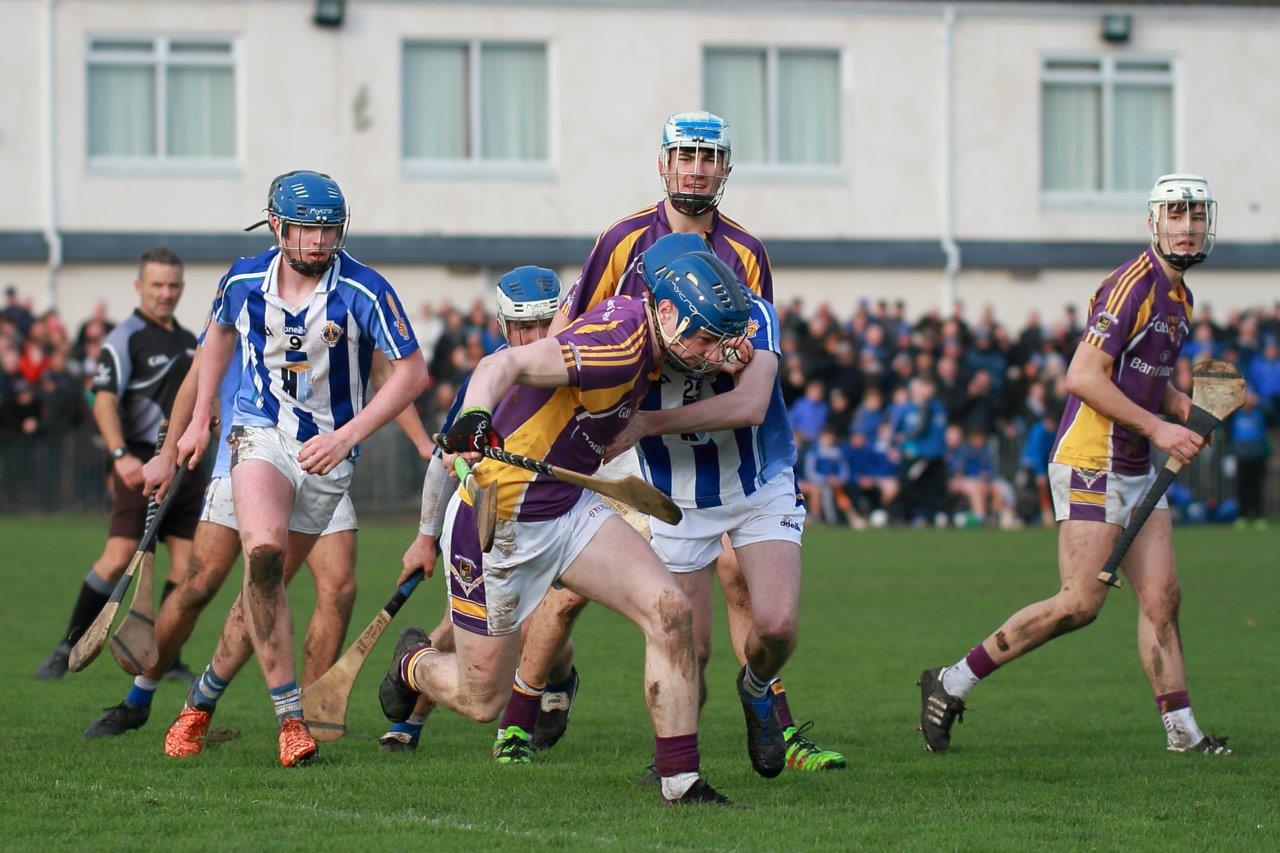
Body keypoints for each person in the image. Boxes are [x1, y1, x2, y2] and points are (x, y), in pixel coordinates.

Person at [505, 114, 837, 770]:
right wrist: (554, 424)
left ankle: (766, 706)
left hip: (731, 457)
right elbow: (570, 339)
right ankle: (552, 723)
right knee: (673, 632)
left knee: (756, 600)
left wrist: (720, 361)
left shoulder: (747, 254)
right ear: (663, 163)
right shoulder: (622, 242)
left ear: (725, 168)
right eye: (684, 154)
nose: (695, 167)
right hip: (656, 463)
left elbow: (750, 377)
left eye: (708, 156)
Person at [384, 251, 750, 805]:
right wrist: (476, 418)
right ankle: (413, 663)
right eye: (704, 341)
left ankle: (680, 779)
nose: (707, 355)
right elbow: (497, 367)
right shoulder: (617, 346)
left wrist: (727, 355)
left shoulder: (658, 334)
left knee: (670, 611)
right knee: (482, 700)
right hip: (498, 524)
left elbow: (696, 357)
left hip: (569, 511)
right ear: (668, 313)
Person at [918, 173, 1231, 755]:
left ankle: (1184, 735)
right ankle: (950, 680)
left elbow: (1146, 380)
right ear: (1153, 223)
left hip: (1137, 462)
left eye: (1195, 218)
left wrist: (1184, 410)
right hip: (1092, 459)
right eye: (1175, 217)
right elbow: (1083, 376)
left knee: (1162, 599)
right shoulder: (1130, 286)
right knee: (1080, 604)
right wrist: (1162, 428)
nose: (1186, 229)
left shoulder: (1180, 298)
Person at [175, 170, 429, 767]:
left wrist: (348, 436)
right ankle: (291, 720)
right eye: (307, 229)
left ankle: (200, 699)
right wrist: (199, 414)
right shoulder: (241, 278)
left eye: (329, 229)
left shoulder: (365, 290)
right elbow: (215, 340)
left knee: (264, 593)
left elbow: (412, 373)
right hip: (259, 433)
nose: (318, 241)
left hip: (329, 456)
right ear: (277, 226)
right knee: (261, 557)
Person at [608, 240, 845, 776]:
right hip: (677, 499)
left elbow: (751, 404)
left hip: (759, 485)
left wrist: (646, 424)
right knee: (687, 648)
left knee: (777, 625)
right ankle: (673, 755)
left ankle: (757, 686)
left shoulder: (752, 314)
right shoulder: (630, 334)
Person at [382, 265, 565, 754]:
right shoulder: (489, 378)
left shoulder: (580, 368)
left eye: (547, 323)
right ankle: (415, 702)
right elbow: (445, 461)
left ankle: (551, 692)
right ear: (504, 326)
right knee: (457, 629)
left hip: (557, 521)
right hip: (488, 524)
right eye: (523, 327)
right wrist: (424, 536)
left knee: (552, 614)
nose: (535, 338)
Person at [36, 248, 208, 681]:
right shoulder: (125, 337)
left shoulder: (191, 341)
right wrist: (120, 457)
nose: (166, 293)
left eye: (173, 285)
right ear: (139, 287)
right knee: (116, 558)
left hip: (185, 470)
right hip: (142, 468)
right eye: (157, 285)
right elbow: (104, 401)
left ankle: (164, 657)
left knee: (188, 570)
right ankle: (67, 645)